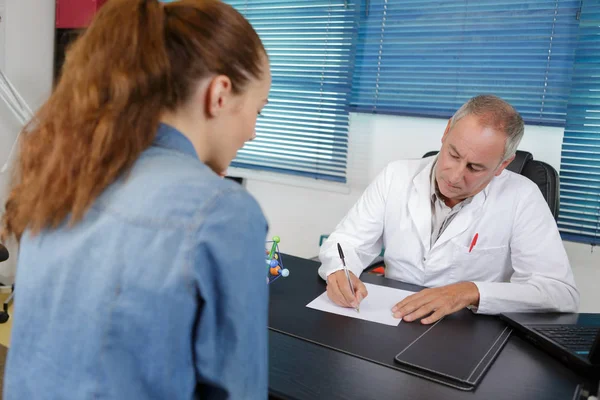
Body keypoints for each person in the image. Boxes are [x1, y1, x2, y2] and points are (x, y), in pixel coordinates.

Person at [1, 0, 271, 398]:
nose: (251, 132)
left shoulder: (63, 179)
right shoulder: (223, 211)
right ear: (220, 93)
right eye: (258, 112)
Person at [318, 95, 579, 325]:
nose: (454, 176)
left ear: (503, 164)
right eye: (453, 155)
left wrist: (470, 291)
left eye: (474, 168)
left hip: (467, 329)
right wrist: (340, 271)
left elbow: (559, 292)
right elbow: (347, 242)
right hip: (393, 316)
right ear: (446, 132)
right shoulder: (396, 175)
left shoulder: (523, 197)